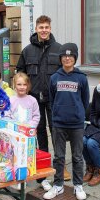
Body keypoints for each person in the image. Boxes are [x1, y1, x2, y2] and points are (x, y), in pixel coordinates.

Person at [16, 16, 72, 181]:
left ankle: (61, 166)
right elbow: (20, 73)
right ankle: (44, 163)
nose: (44, 30)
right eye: (41, 27)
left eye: (46, 27)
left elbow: (66, 72)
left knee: (56, 130)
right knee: (39, 131)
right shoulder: (27, 50)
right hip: (33, 99)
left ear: (50, 28)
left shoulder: (59, 48)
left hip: (54, 98)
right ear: (36, 29)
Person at [43, 43, 89, 200]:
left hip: (76, 124)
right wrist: (56, 115)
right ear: (61, 58)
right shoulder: (55, 77)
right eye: (64, 56)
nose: (67, 58)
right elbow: (51, 99)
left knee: (77, 156)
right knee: (59, 157)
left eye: (70, 56)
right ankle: (58, 185)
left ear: (75, 58)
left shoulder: (81, 78)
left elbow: (85, 101)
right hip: (59, 124)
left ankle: (78, 185)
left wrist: (80, 116)